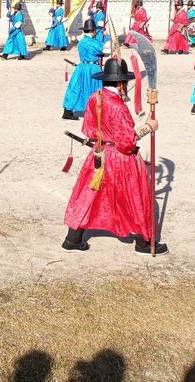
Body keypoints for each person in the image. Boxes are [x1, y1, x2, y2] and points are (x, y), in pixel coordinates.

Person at [61, 58, 168, 256]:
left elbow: (88, 128)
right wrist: (148, 127)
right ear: (120, 84)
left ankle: (72, 239)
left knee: (89, 194)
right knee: (134, 196)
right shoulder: (118, 106)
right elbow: (127, 142)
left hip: (99, 153)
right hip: (120, 159)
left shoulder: (96, 96)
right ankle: (144, 242)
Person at [62, 20, 103, 120]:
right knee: (94, 89)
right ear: (93, 31)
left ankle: (67, 111)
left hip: (82, 67)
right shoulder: (94, 43)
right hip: (93, 68)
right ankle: (94, 111)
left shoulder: (81, 42)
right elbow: (101, 51)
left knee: (76, 87)